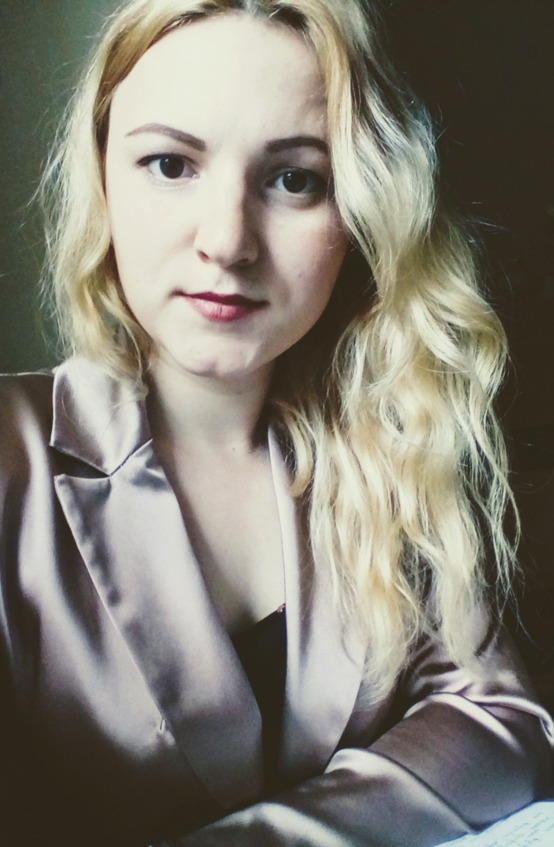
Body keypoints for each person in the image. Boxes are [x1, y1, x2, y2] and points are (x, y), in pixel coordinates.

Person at [0, 0, 552, 845]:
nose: (227, 242)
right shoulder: (12, 460)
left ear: (360, 208)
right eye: (170, 164)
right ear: (103, 174)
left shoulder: (392, 447)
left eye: (295, 179)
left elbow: (501, 719)